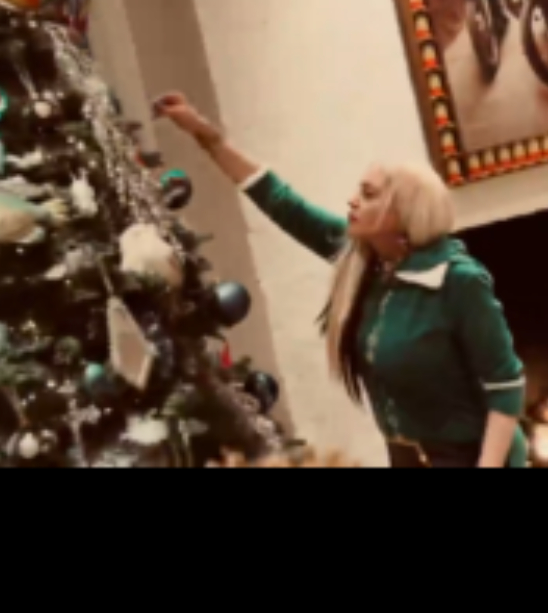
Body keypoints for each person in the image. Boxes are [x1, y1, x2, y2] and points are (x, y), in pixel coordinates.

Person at [153, 92, 528, 468]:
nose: (352, 200)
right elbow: (282, 203)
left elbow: (506, 387)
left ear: (404, 213)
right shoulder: (365, 260)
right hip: (406, 457)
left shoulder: (457, 281)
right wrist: (207, 137)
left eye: (368, 194)